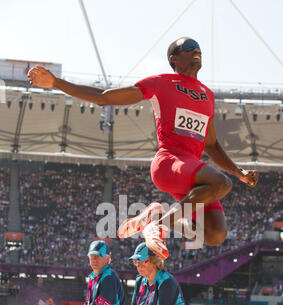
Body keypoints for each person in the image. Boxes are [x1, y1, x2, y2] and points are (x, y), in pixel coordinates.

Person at [28, 37, 258, 260]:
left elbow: (211, 144)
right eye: (189, 48)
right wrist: (56, 83)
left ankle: (157, 216)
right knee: (222, 183)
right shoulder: (162, 82)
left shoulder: (208, 95)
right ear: (174, 59)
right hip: (169, 163)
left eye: (198, 48)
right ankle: (159, 226)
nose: (196, 50)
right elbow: (103, 97)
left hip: (191, 173)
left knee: (215, 234)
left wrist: (240, 173)